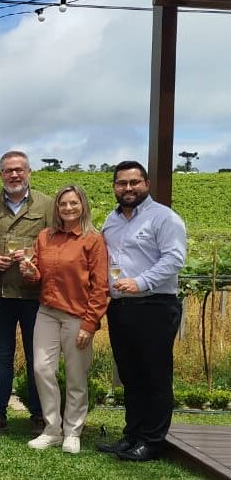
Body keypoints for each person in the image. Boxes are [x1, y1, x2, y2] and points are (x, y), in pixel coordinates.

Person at [99, 161, 186, 461]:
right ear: (114, 187)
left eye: (134, 182)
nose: (128, 188)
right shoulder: (110, 221)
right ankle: (132, 435)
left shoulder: (164, 218)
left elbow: (174, 259)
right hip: (121, 307)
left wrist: (141, 281)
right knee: (130, 374)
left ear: (146, 184)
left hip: (155, 306)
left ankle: (152, 440)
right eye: (121, 183)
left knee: (155, 374)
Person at [20, 185, 108, 454]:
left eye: (73, 203)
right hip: (47, 312)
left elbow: (101, 286)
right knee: (42, 370)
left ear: (83, 206)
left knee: (75, 376)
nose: (68, 208)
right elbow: (37, 275)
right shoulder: (45, 236)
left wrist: (89, 323)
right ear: (56, 208)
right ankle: (52, 429)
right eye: (63, 204)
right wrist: (29, 271)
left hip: (77, 316)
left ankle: (73, 431)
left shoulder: (93, 240)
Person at [0, 151, 53, 436]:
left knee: (38, 357)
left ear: (29, 172)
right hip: (0, 294)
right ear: (1, 175)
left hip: (34, 295)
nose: (14, 175)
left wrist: (33, 257)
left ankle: (39, 415)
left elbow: (56, 246)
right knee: (2, 356)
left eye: (19, 170)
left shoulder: (47, 205)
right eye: (8, 171)